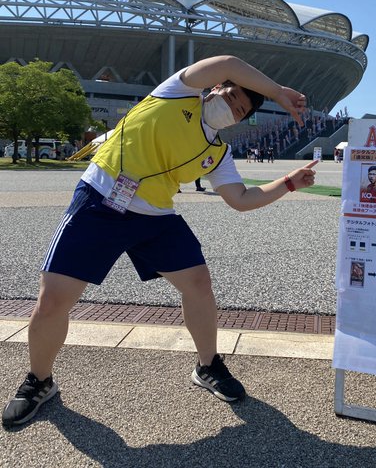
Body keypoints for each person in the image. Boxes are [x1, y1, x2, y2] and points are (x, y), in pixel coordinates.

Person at [2, 55, 317, 429]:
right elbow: (229, 63)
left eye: (239, 111)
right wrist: (278, 92)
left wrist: (289, 183)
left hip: (155, 216)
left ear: (239, 122)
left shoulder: (218, 153)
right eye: (230, 97)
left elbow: (241, 199)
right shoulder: (176, 92)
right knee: (54, 299)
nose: (230, 108)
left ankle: (207, 366)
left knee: (198, 284)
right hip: (100, 200)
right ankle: (39, 380)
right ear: (216, 88)